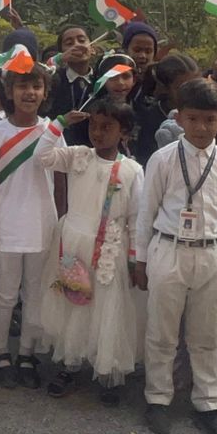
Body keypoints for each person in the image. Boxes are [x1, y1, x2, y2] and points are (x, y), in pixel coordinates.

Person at [133, 77, 217, 434]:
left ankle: (208, 402)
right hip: (169, 249)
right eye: (193, 119)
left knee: (206, 335)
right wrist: (141, 259)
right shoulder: (162, 159)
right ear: (179, 118)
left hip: (211, 252)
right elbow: (146, 211)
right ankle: (158, 398)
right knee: (161, 332)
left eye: (210, 119)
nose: (201, 127)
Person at [36, 98, 143, 405]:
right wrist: (59, 123)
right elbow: (42, 156)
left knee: (107, 309)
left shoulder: (132, 170)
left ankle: (108, 368)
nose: (98, 132)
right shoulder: (77, 156)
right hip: (73, 243)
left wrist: (135, 258)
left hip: (110, 247)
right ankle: (70, 363)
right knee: (73, 304)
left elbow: (137, 217)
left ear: (124, 132)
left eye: (107, 127)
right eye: (94, 126)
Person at [0, 60, 57, 389]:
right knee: (5, 294)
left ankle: (26, 354)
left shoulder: (53, 131)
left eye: (36, 86)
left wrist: (62, 222)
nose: (29, 92)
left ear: (45, 92)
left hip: (43, 223)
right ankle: (0, 353)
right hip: (8, 223)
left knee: (35, 293)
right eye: (22, 86)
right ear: (9, 92)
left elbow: (61, 181)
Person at [138, 53, 202, 162]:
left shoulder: (205, 112)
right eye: (182, 88)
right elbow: (147, 158)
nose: (192, 93)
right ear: (164, 88)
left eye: (196, 85)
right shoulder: (150, 119)